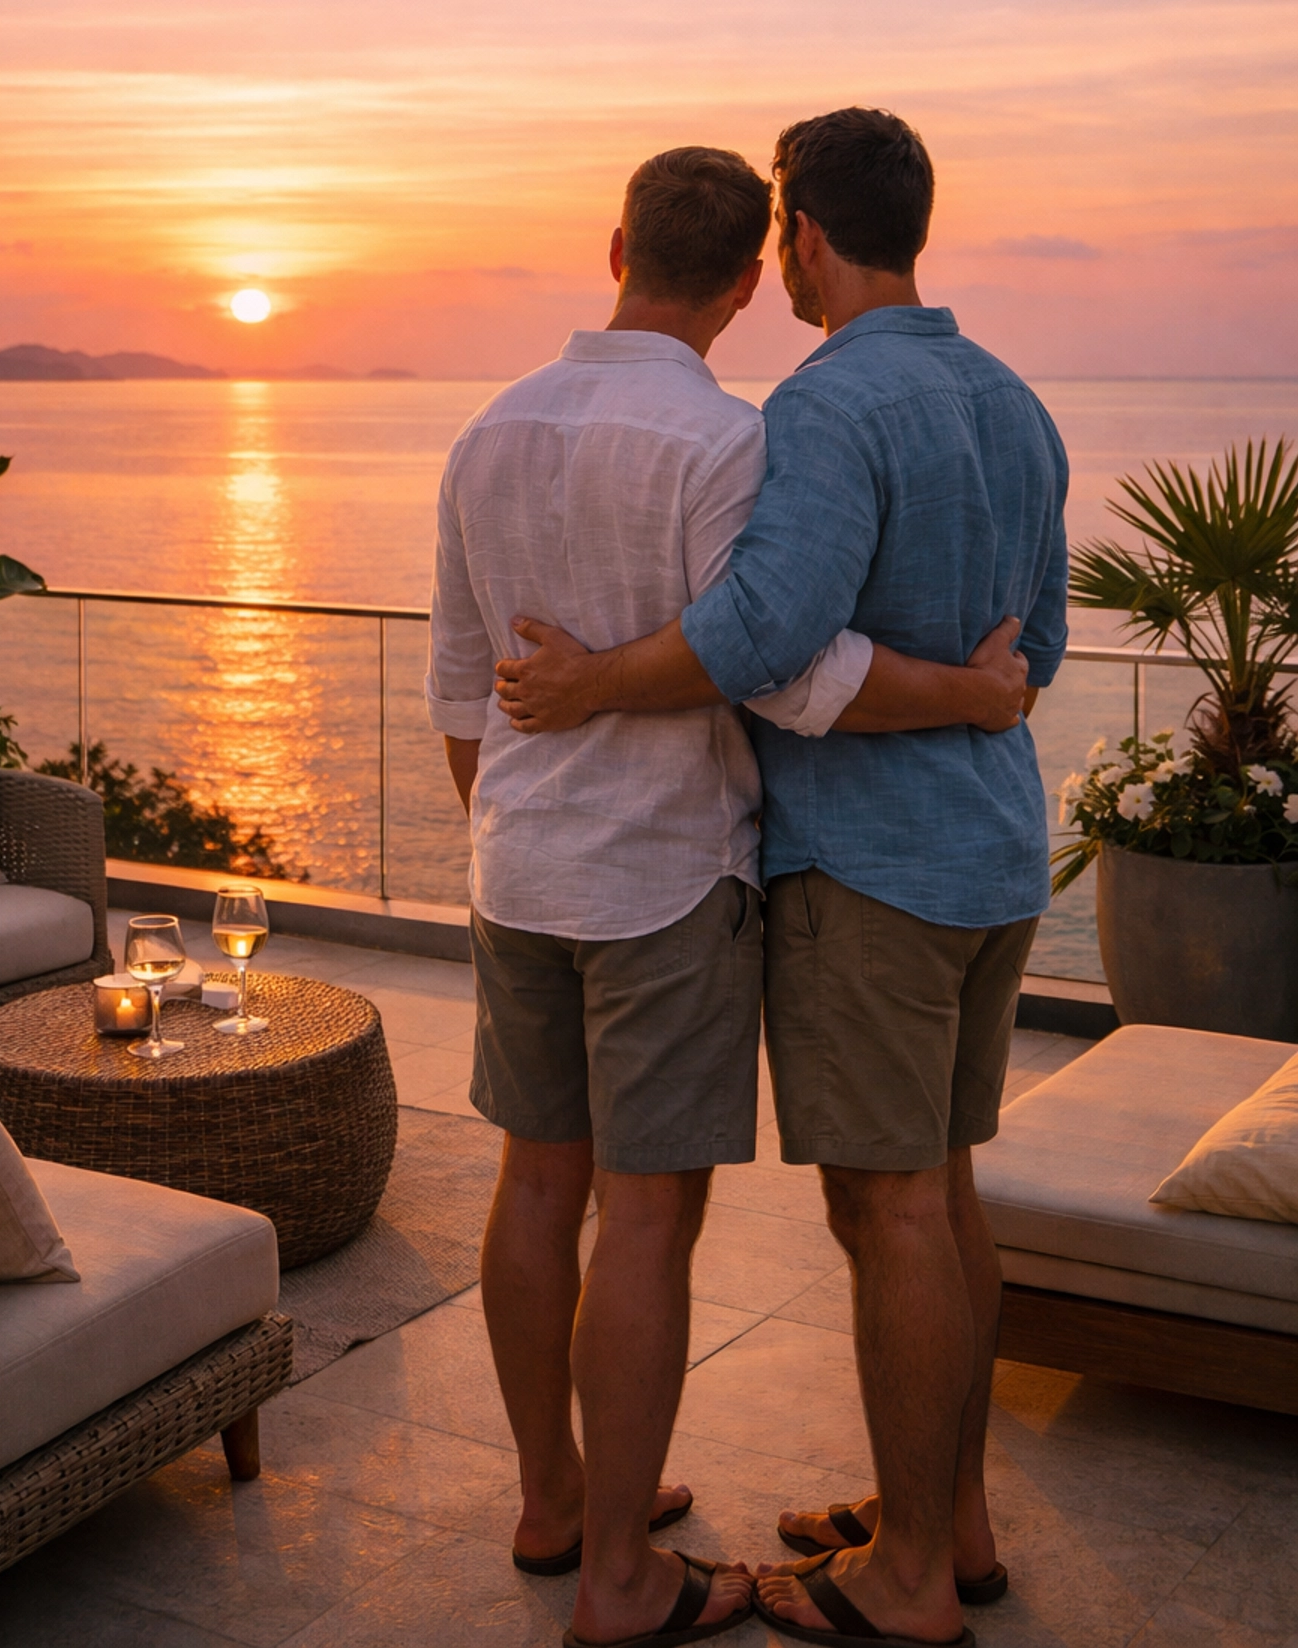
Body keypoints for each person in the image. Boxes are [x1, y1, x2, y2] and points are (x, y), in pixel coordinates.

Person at [428, 142, 1033, 1648]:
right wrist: (972, 689)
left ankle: (563, 1504)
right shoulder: (789, 430)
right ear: (756, 276)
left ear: (613, 241)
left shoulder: (488, 431)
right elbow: (801, 657)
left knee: (539, 1184)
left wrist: (519, 808)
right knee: (691, 1215)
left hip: (536, 864)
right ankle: (719, 1562)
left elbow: (468, 685)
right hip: (715, 870)